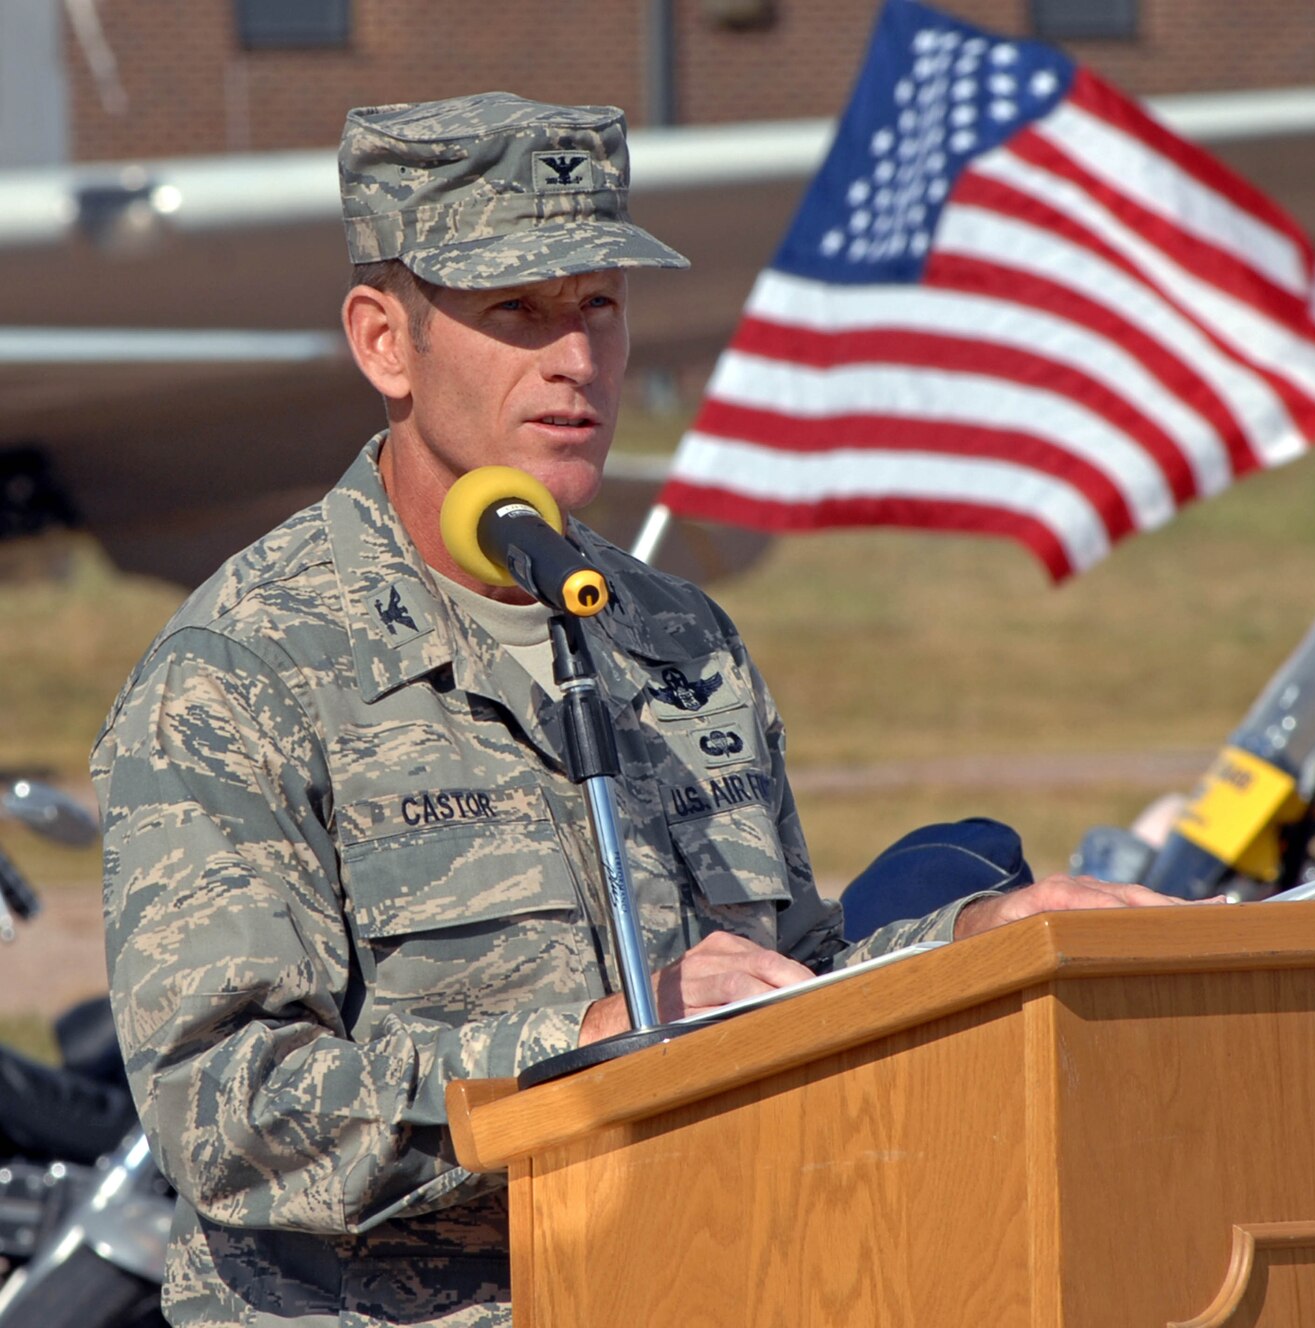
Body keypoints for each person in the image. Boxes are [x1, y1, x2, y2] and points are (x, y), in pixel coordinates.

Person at [92, 92, 1187, 1328]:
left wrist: (975, 942)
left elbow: (776, 995)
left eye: (598, 306)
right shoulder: (239, 672)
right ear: (383, 341)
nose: (575, 361)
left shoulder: (677, 638)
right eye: (517, 310)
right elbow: (228, 1116)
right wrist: (589, 1043)